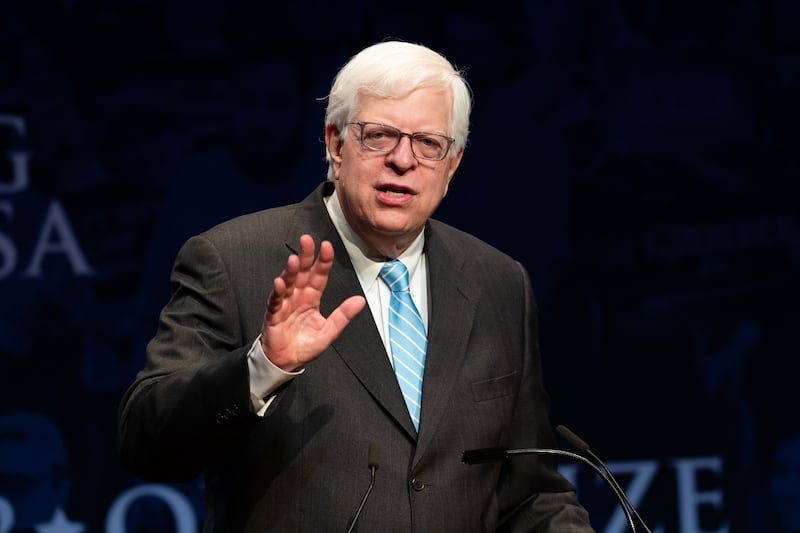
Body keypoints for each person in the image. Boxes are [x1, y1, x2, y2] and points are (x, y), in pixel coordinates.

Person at [116, 39, 595, 532]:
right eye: (379, 136)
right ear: (335, 144)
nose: (403, 160)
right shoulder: (234, 260)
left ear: (452, 166)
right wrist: (265, 367)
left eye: (429, 143)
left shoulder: (499, 284)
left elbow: (529, 493)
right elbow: (146, 442)